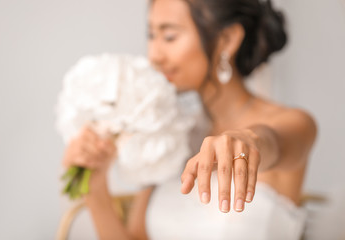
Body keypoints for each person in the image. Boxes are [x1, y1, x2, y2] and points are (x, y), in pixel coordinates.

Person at [61, 0, 317, 239]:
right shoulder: (167, 135)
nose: (155, 55)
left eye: (169, 36)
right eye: (152, 35)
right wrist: (95, 186)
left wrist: (249, 141)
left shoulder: (295, 122)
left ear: (227, 40)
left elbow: (275, 144)